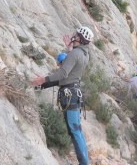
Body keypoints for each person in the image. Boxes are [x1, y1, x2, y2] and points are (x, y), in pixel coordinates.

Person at [32, 26, 94, 165]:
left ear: (80, 38)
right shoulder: (84, 54)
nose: (74, 35)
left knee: (74, 131)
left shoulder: (75, 54)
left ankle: (84, 163)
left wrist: (43, 79)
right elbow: (72, 68)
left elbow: (63, 74)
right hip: (75, 93)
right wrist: (69, 48)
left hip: (69, 94)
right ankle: (85, 162)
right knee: (77, 130)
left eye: (76, 34)